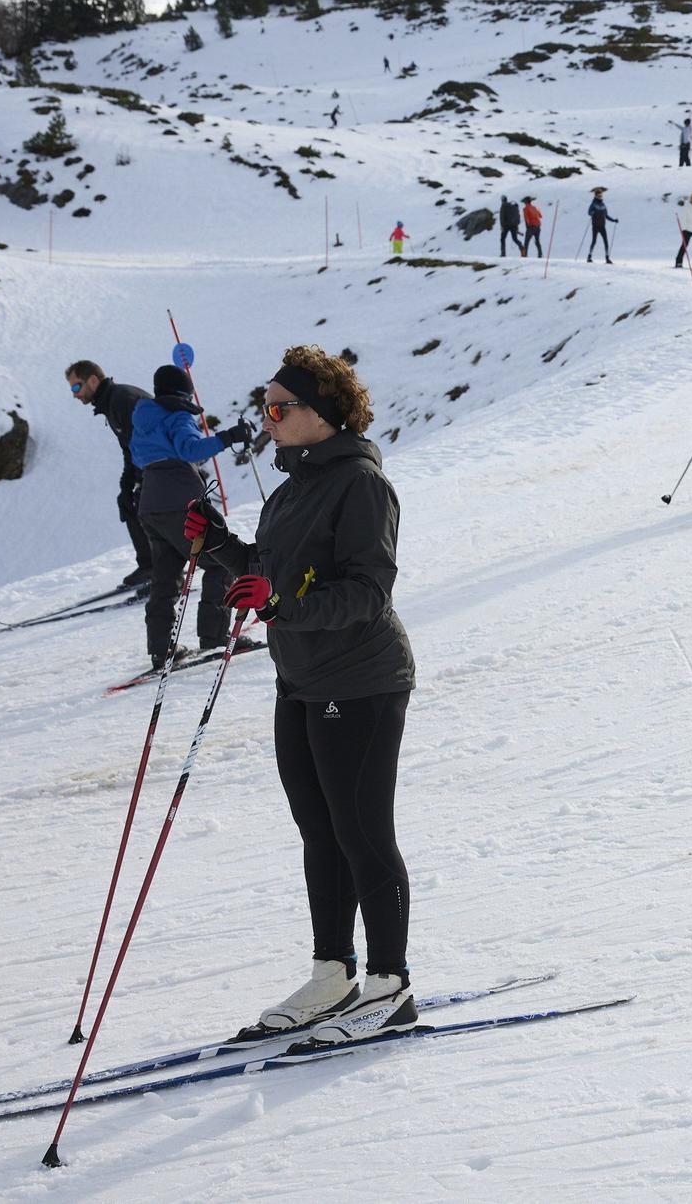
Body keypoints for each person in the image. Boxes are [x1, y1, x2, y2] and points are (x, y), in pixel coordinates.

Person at [184, 345, 419, 1045]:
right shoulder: (293, 487)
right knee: (320, 833)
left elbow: (367, 592)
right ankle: (333, 972)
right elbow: (274, 573)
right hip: (303, 680)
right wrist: (220, 547)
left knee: (363, 832)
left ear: (323, 415)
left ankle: (390, 983)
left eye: (281, 408)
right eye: (266, 407)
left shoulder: (361, 485)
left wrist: (282, 603)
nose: (270, 418)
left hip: (363, 678)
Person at [129, 364, 253, 671]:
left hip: (149, 501)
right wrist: (229, 437)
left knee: (165, 575)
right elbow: (190, 450)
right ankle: (215, 636)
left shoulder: (143, 416)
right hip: (179, 499)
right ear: (184, 392)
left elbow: (135, 456)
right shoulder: (178, 415)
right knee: (219, 562)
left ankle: (161, 648)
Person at [66, 360, 154, 587]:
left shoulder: (121, 400)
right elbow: (129, 450)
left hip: (166, 466)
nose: (75, 394)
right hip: (155, 467)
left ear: (93, 380)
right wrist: (126, 487)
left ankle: (159, 570)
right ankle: (149, 566)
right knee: (128, 502)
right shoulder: (112, 401)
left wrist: (143, 481)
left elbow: (146, 443)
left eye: (76, 387)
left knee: (144, 506)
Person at [586, 186, 617, 263]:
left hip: (602, 226)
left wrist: (614, 220)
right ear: (595, 196)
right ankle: (589, 256)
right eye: (599, 196)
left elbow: (606, 216)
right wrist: (593, 213)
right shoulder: (593, 204)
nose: (600, 197)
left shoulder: (603, 205)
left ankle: (607, 258)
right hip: (595, 226)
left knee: (606, 242)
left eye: (601, 195)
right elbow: (589, 212)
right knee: (594, 241)